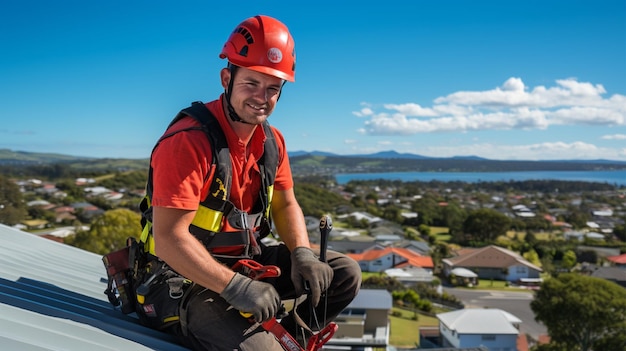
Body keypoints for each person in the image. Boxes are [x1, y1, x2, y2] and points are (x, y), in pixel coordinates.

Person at [141, 15, 361, 350]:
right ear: (226, 78)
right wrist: (236, 288)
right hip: (181, 277)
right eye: (251, 84)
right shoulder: (189, 141)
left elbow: (286, 203)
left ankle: (291, 339)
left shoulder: (272, 142)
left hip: (242, 263)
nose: (263, 97)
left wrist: (301, 254)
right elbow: (169, 239)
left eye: (273, 88)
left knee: (343, 273)